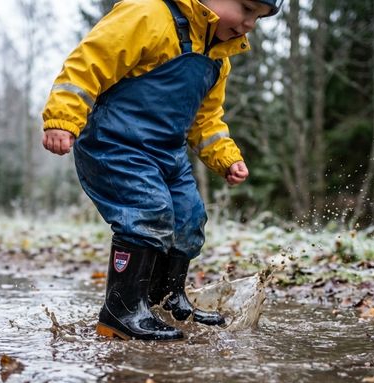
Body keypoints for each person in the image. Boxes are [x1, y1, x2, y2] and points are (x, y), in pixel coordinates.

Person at [41, 0, 282, 340]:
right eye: (245, 8)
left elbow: (206, 118)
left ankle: (164, 302)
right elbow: (88, 63)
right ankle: (121, 311)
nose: (249, 24)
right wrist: (63, 119)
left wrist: (225, 156)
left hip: (168, 153)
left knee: (189, 219)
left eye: (258, 17)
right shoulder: (150, 13)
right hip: (115, 144)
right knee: (147, 211)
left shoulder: (217, 58)